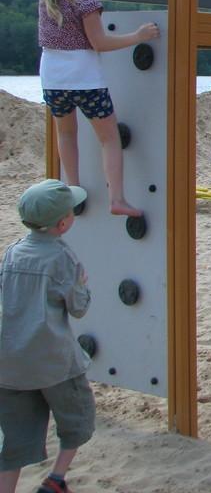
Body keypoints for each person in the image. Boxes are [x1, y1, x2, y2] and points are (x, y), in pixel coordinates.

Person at [36, 0, 160, 218]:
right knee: (109, 138)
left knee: (66, 133)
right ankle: (117, 198)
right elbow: (99, 42)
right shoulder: (85, 0)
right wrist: (137, 36)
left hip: (52, 79)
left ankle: (73, 188)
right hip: (84, 79)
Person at [0, 180, 93, 493]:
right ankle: (56, 479)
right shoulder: (62, 258)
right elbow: (78, 308)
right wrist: (81, 285)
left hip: (10, 362)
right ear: (63, 223)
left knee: (13, 436)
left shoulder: (12, 252)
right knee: (77, 419)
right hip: (54, 360)